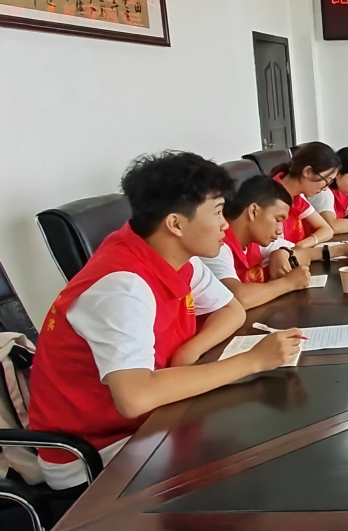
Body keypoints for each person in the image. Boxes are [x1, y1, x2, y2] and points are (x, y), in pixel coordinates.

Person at [28, 152, 304, 489]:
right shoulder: (122, 286)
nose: (224, 224)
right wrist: (253, 361)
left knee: (265, 433)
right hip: (97, 451)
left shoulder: (175, 256)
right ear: (175, 224)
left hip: (156, 414)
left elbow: (231, 309)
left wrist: (189, 352)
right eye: (217, 211)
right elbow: (136, 398)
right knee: (258, 461)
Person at [202, 176, 348, 309]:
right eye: (277, 219)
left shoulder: (256, 238)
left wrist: (283, 252)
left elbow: (302, 252)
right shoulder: (216, 245)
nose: (280, 230)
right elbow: (239, 298)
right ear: (253, 211)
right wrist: (288, 283)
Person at [269, 142, 339, 247]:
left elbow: (327, 230)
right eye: (326, 181)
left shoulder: (297, 196)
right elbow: (279, 250)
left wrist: (302, 245)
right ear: (308, 171)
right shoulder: (271, 199)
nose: (325, 188)